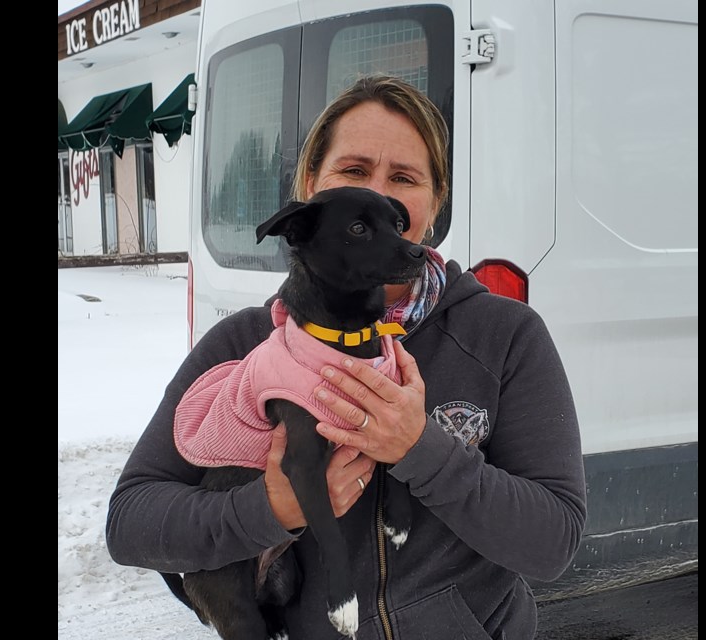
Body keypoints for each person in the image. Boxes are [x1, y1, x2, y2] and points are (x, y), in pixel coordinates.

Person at [107, 74, 586, 639]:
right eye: (354, 171)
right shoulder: (248, 346)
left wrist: (422, 450)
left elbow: (553, 543)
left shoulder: (503, 336)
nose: (379, 192)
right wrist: (273, 509)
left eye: (405, 178)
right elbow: (130, 522)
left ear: (433, 206)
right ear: (312, 185)